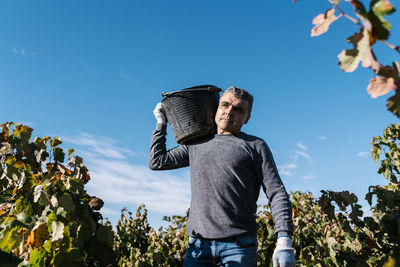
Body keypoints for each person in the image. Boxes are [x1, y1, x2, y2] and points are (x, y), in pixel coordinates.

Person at [149, 86, 295, 267]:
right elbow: (158, 161)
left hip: (239, 246)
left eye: (238, 109)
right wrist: (161, 124)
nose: (229, 112)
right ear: (216, 109)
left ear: (247, 118)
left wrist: (284, 240)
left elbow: (276, 192)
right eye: (225, 105)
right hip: (198, 245)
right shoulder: (196, 144)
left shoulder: (255, 146)